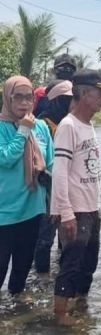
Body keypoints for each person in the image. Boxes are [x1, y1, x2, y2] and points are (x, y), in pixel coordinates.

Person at [51, 70, 101, 325]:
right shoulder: (68, 126)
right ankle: (60, 315)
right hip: (75, 210)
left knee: (89, 263)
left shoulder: (88, 125)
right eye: (100, 93)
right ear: (84, 92)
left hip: (92, 208)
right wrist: (65, 212)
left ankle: (81, 304)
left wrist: (97, 208)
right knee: (71, 264)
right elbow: (60, 173)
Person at [0, 76, 54, 295]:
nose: (24, 103)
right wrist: (22, 131)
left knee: (21, 270)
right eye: (18, 97)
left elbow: (52, 162)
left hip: (32, 211)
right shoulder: (2, 128)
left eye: (28, 97)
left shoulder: (40, 127)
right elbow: (5, 158)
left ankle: (14, 318)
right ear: (7, 99)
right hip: (4, 214)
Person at [33, 79, 73, 274]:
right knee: (44, 240)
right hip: (48, 190)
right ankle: (41, 279)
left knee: (65, 237)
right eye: (68, 99)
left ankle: (58, 275)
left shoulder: (70, 123)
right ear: (57, 100)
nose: (73, 103)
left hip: (66, 187)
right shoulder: (42, 124)